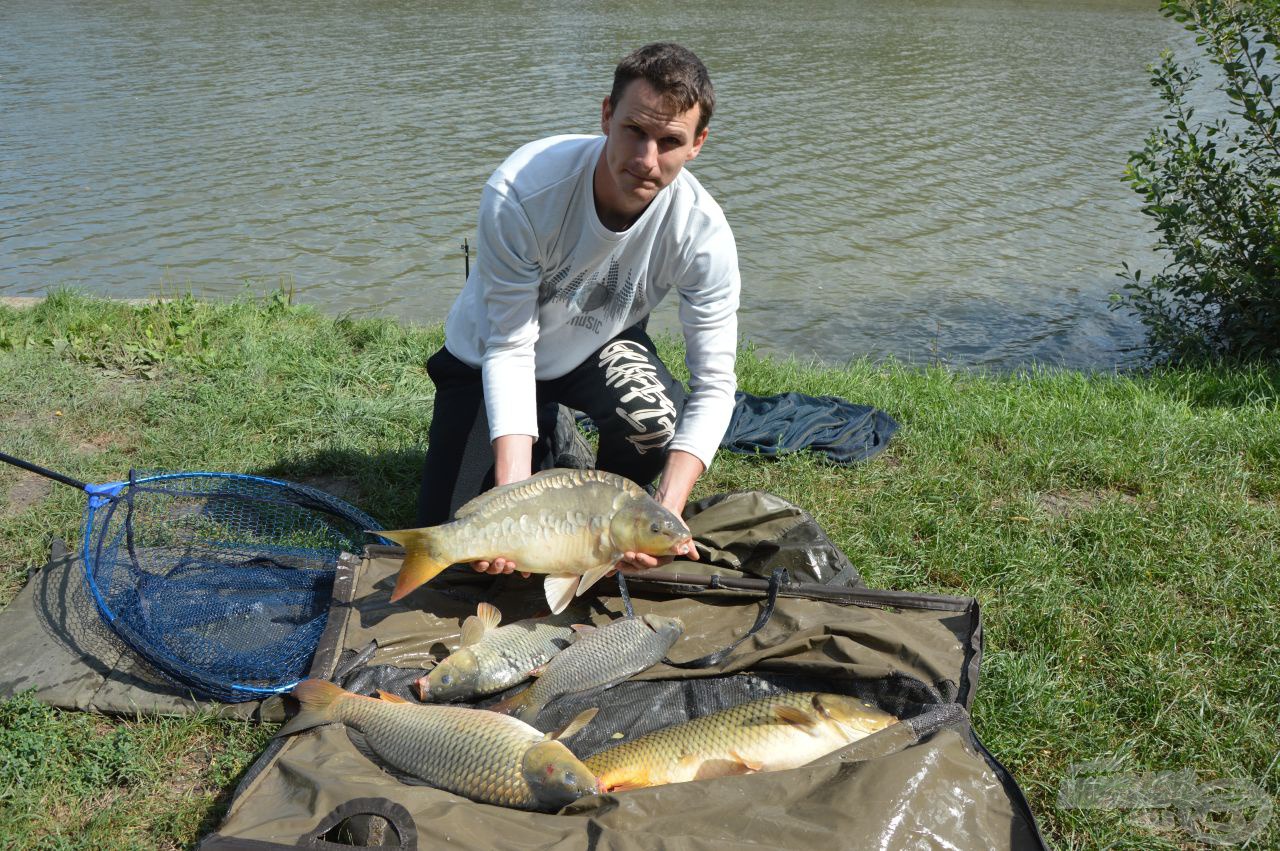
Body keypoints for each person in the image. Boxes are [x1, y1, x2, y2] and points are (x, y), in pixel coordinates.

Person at [417, 42, 739, 576]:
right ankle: (545, 440)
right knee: (461, 548)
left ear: (698, 144)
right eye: (635, 130)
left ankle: (607, 529)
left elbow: (715, 385)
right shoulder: (523, 188)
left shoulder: (703, 234)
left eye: (670, 141)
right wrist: (513, 500)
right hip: (488, 357)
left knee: (655, 423)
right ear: (607, 115)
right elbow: (509, 347)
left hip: (597, 342)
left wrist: (664, 516)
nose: (646, 160)